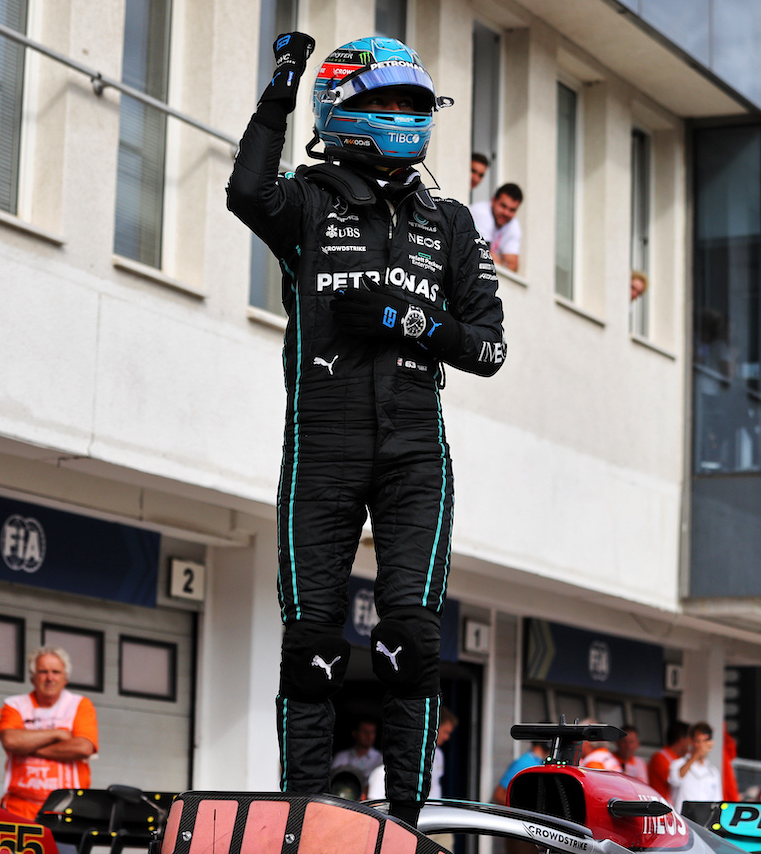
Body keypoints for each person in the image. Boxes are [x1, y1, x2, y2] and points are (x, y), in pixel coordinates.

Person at [227, 32, 506, 830]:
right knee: (310, 645)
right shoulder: (306, 203)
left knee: (412, 640)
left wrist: (406, 316)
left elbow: (488, 347)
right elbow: (246, 191)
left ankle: (410, 820)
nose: (405, 116)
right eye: (388, 102)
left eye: (416, 104)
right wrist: (280, 86)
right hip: (321, 444)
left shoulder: (450, 222)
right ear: (343, 108)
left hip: (418, 453)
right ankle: (303, 813)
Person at [0, 647, 99, 820]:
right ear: (32, 677)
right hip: (19, 811)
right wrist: (57, 734)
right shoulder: (14, 705)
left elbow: (84, 747)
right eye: (43, 672)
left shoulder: (79, 705)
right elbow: (10, 741)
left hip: (68, 812)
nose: (50, 678)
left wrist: (29, 747)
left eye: (56, 672)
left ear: (65, 678)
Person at [668, 722, 721, 812]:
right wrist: (695, 756)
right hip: (682, 822)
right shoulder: (677, 764)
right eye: (698, 741)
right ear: (690, 741)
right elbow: (675, 780)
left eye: (704, 741)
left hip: (703, 823)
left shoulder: (714, 772)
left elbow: (718, 801)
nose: (701, 746)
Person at [469, 183, 523, 272]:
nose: (506, 213)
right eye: (503, 206)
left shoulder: (513, 225)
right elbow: (484, 255)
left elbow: (513, 266)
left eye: (512, 210)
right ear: (493, 201)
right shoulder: (482, 212)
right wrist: (501, 262)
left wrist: (498, 261)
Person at [648, 720, 690, 800]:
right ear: (682, 739)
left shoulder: (680, 758)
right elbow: (673, 781)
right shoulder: (660, 757)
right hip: (661, 807)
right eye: (690, 738)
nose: (691, 743)